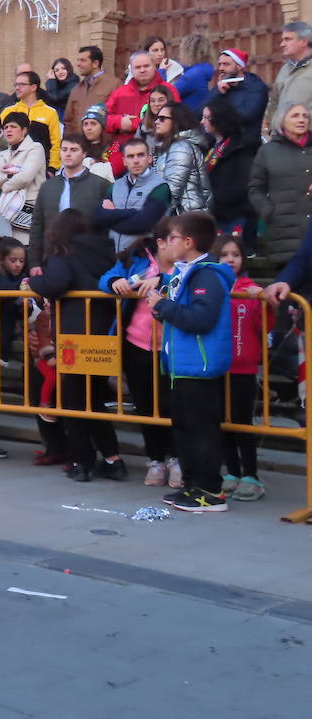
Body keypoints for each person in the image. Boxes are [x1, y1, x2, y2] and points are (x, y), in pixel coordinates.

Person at [27, 210, 125, 482]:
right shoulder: (106, 253)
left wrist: (33, 282)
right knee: (94, 400)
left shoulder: (65, 253)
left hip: (75, 335)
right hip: (103, 334)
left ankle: (81, 461)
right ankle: (112, 458)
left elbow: (55, 283)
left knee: (73, 402)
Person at [146, 211, 235, 513]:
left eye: (171, 238)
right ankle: (192, 485)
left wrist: (164, 306)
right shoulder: (184, 273)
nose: (166, 244)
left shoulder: (207, 275)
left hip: (200, 367)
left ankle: (210, 492)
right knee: (183, 429)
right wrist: (161, 306)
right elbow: (176, 311)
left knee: (201, 432)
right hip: (180, 366)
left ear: (188, 241)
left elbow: (201, 319)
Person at [102, 220, 180, 489]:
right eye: (177, 239)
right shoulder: (136, 259)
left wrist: (164, 280)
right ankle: (155, 459)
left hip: (171, 347)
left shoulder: (188, 266)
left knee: (172, 405)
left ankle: (176, 459)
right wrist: (115, 281)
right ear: (161, 243)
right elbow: (105, 278)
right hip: (136, 344)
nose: (183, 245)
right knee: (145, 405)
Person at [214, 236, 267, 502]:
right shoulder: (212, 287)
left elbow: (265, 325)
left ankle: (252, 476)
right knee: (223, 422)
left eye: (235, 254)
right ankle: (232, 472)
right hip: (217, 366)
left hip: (244, 368)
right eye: (224, 255)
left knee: (242, 423)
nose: (230, 259)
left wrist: (264, 302)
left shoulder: (250, 290)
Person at [27, 134, 111, 275]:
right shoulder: (47, 187)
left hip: (88, 258)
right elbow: (37, 225)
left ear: (84, 153)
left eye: (73, 150)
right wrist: (34, 262)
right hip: (52, 256)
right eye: (64, 149)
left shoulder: (101, 185)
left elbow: (107, 227)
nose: (68, 153)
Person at [249, 103, 312, 267]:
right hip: (283, 232)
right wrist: (268, 211)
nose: (301, 120)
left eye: (305, 116)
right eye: (295, 115)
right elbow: (255, 189)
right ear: (282, 120)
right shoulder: (268, 151)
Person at [94, 138, 172, 252]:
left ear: (149, 158)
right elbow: (99, 216)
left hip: (143, 258)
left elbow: (142, 224)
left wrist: (111, 220)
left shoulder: (160, 187)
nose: (136, 161)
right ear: (124, 161)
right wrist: (132, 212)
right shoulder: (116, 185)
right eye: (130, 156)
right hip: (114, 256)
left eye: (140, 155)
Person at [0, 112, 47, 243]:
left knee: (25, 252)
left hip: (30, 212)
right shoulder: (3, 154)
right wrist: (9, 174)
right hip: (6, 213)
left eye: (13, 126)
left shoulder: (35, 148)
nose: (8, 130)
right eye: (6, 127)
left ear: (24, 130)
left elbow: (25, 178)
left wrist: (3, 185)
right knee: (6, 253)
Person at [201, 98, 259, 238]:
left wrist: (213, 202)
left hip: (234, 217)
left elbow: (242, 185)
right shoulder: (211, 145)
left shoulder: (240, 148)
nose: (202, 122)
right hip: (215, 215)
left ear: (220, 119)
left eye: (207, 117)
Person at [152, 102, 210, 215]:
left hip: (185, 219)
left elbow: (171, 191)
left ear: (176, 121)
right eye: (157, 118)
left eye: (162, 118)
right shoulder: (169, 147)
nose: (156, 122)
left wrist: (152, 217)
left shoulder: (180, 148)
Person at [105, 50, 178, 136]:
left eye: (146, 66)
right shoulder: (119, 92)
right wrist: (119, 122)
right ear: (131, 70)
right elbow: (102, 119)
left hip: (156, 144)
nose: (142, 70)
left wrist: (135, 124)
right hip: (120, 145)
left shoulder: (168, 90)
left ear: (154, 66)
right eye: (138, 67)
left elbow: (177, 119)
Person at [200, 47, 268, 130]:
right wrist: (217, 92)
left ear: (239, 66)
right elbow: (199, 113)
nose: (221, 68)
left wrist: (215, 115)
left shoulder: (256, 88)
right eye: (220, 64)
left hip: (242, 140)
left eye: (226, 64)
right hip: (217, 140)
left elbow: (247, 116)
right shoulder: (221, 86)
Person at [265, 21, 312, 132]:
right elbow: (274, 101)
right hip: (281, 139)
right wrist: (272, 126)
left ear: (303, 41)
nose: (282, 44)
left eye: (288, 39)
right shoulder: (285, 69)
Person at [64, 45, 119, 136]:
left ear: (95, 64)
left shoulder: (114, 84)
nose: (78, 64)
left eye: (83, 60)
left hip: (104, 146)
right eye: (78, 60)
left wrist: (111, 148)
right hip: (80, 146)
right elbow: (68, 120)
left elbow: (118, 117)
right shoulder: (76, 89)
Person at [170, 32, 214, 102]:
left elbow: (167, 94)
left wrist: (161, 72)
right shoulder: (201, 70)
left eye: (181, 50)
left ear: (189, 52)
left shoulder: (194, 74)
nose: (179, 54)